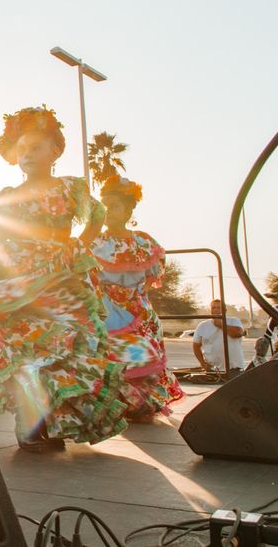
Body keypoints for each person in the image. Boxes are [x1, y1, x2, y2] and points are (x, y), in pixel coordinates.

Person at [0, 106, 128, 452]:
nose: (27, 155)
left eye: (35, 147)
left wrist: (78, 245)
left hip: (60, 281)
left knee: (64, 350)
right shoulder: (9, 195)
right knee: (22, 354)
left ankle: (52, 421)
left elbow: (97, 215)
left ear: (55, 150)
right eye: (22, 150)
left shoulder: (69, 189)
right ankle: (29, 427)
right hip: (17, 284)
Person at [91, 176, 184, 421]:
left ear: (129, 209)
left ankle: (142, 403)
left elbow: (151, 277)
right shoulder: (96, 243)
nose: (108, 211)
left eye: (114, 206)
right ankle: (128, 402)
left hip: (139, 309)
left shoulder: (143, 242)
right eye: (104, 205)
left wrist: (132, 298)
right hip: (108, 309)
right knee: (122, 357)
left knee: (147, 359)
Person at [191, 300, 246, 373]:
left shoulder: (233, 321)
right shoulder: (203, 326)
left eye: (219, 307)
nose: (216, 309)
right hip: (213, 370)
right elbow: (196, 346)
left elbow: (238, 333)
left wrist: (221, 325)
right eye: (213, 308)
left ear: (225, 310)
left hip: (234, 369)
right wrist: (203, 363)